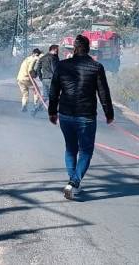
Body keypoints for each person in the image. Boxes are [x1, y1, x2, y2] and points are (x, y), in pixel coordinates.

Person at [48, 35, 114, 200]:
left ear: (74, 49)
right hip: (86, 116)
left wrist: (52, 112)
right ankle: (74, 182)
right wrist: (109, 114)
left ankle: (73, 181)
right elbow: (103, 93)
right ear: (89, 49)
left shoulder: (62, 66)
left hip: (65, 115)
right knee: (85, 151)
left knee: (71, 148)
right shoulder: (96, 67)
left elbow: (54, 90)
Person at [33, 44, 60, 116]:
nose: (58, 51)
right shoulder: (53, 58)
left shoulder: (42, 58)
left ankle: (35, 110)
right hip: (52, 80)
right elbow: (54, 69)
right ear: (54, 50)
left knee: (45, 97)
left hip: (45, 80)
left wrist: (41, 78)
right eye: (57, 50)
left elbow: (38, 69)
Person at [16, 48, 41, 112]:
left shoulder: (27, 59)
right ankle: (36, 105)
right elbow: (30, 70)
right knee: (37, 91)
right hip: (26, 78)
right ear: (34, 54)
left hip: (19, 79)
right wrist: (34, 74)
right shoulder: (33, 59)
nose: (38, 57)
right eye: (37, 55)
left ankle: (24, 105)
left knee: (25, 94)